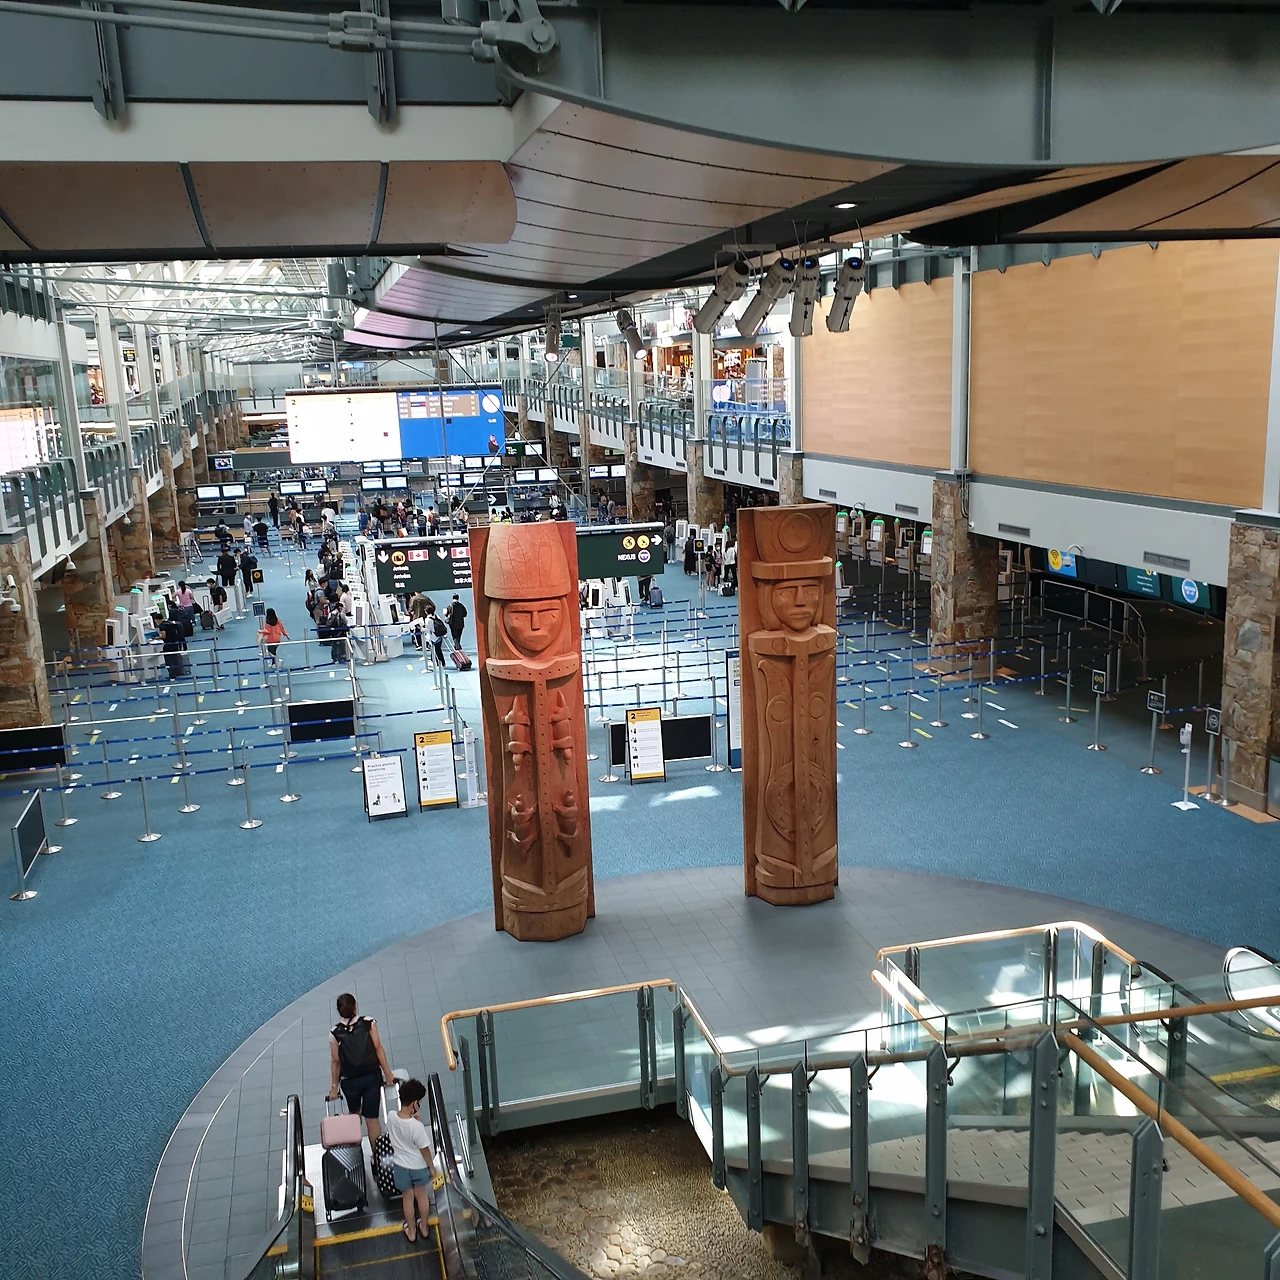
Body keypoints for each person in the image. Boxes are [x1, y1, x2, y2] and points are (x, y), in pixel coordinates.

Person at [326, 993, 396, 1150]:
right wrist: (388, 1074)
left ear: (338, 1010)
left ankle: (354, 1154)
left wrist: (334, 1087)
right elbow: (378, 1048)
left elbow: (335, 1061)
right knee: (372, 1118)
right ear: (355, 1005)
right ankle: (377, 1156)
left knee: (354, 1116)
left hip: (349, 1081)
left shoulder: (334, 1032)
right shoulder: (369, 1022)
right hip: (371, 1076)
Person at [385, 1078, 436, 1242]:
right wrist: (431, 1167)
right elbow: (424, 1149)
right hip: (418, 1167)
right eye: (419, 1102)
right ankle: (424, 1228)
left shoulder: (391, 1116)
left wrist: (412, 1119)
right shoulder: (416, 1127)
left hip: (400, 1167)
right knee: (421, 1196)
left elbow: (401, 1125)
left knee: (407, 1198)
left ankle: (411, 1231)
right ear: (414, 1103)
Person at [153, 611, 188, 680]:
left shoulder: (162, 626)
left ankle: (172, 674)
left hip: (168, 644)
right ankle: (178, 672)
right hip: (175, 643)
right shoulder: (169, 622)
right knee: (175, 658)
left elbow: (163, 636)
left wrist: (156, 638)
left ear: (157, 620)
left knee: (169, 660)